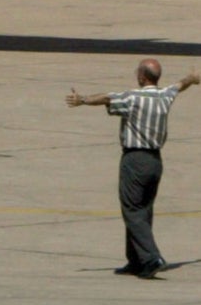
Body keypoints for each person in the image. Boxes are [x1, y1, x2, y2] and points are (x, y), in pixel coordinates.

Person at [66, 59, 201, 277]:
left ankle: (152, 257)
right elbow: (180, 84)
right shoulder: (165, 95)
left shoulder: (133, 97)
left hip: (135, 159)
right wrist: (192, 79)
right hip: (155, 161)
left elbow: (107, 98)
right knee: (143, 209)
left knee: (132, 209)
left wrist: (82, 99)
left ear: (142, 77)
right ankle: (136, 260)